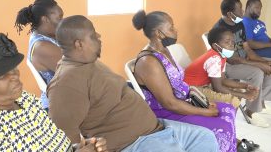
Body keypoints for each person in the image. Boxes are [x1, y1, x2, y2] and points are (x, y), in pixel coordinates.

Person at [48, 15, 219, 152]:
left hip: (157, 128)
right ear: (79, 44)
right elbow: (62, 136)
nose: (99, 36)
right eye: (93, 35)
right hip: (133, 143)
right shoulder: (66, 84)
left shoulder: (89, 62)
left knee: (206, 138)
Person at [0, 28, 107, 152]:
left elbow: (50, 144)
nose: (14, 75)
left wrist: (77, 148)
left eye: (13, 67)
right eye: (2, 75)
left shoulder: (24, 99)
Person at [132, 10, 241, 152]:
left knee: (228, 110)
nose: (175, 31)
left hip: (184, 102)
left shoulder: (164, 51)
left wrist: (203, 103)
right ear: (159, 33)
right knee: (221, 124)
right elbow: (169, 103)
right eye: (171, 28)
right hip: (167, 112)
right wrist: (204, 112)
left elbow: (179, 85)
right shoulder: (149, 62)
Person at [213, 0, 271, 127]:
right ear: (230, 14)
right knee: (257, 73)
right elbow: (232, 59)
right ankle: (250, 111)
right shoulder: (220, 30)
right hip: (227, 65)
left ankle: (259, 102)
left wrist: (264, 62)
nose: (243, 12)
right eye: (240, 9)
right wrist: (258, 64)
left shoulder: (239, 24)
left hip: (242, 61)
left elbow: (247, 48)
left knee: (266, 68)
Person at [184, 27, 259, 109]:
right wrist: (245, 95)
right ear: (215, 46)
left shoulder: (221, 56)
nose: (231, 45)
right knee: (233, 100)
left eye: (232, 42)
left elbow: (223, 80)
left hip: (202, 85)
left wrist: (246, 86)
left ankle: (226, 117)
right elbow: (218, 88)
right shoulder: (214, 59)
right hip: (191, 89)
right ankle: (222, 119)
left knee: (238, 92)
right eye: (227, 42)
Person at [15, 0, 63, 111]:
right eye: (59, 18)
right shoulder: (42, 46)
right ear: (45, 19)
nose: (63, 21)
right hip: (58, 107)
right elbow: (78, 70)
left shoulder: (44, 34)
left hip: (65, 100)